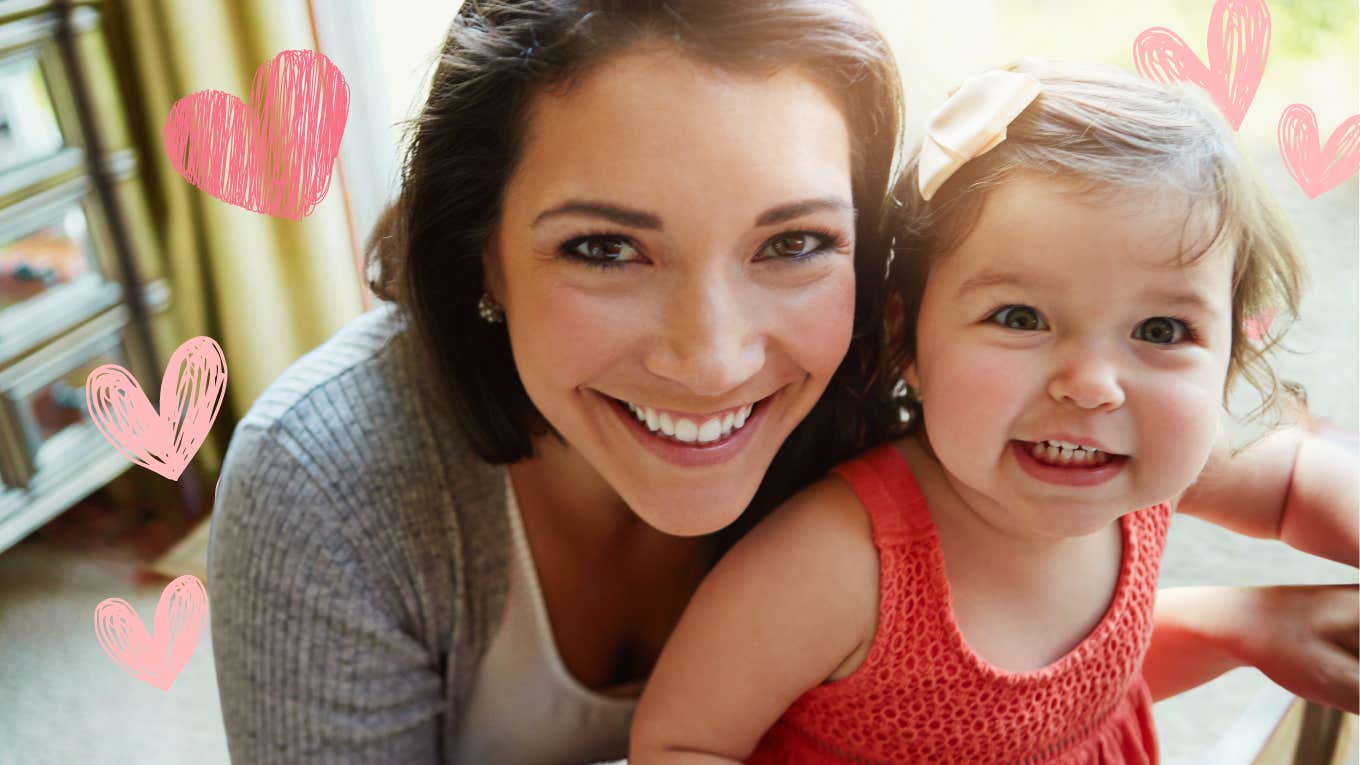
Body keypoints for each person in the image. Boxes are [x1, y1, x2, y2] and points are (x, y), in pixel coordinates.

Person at [206, 4, 1356, 762]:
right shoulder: (331, 481)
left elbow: (982, 695)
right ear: (479, 252)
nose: (711, 359)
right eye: (604, 248)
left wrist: (1246, 621)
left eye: (793, 242)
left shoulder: (952, 378)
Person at [630, 62, 1359, 764]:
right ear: (904, 336)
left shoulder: (1158, 461)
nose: (1093, 385)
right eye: (1019, 316)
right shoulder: (840, 564)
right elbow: (682, 742)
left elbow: (1297, 482)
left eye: (1161, 330)